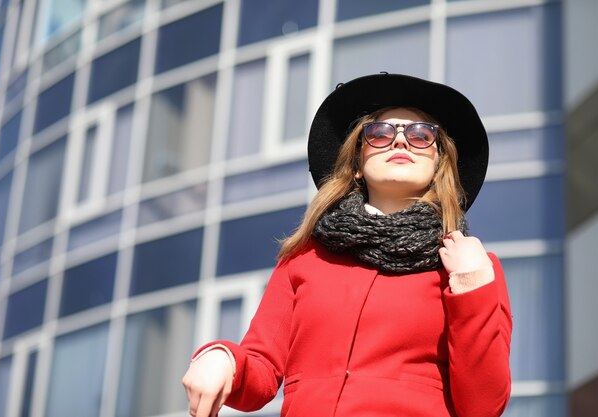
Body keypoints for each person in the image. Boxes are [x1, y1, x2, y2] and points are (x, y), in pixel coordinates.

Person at [182, 73, 512, 417]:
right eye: (381, 133)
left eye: (420, 135)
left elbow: (483, 406)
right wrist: (222, 359)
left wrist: (471, 285)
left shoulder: (470, 268)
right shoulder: (305, 257)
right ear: (356, 163)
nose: (401, 142)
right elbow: (261, 371)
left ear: (439, 163)